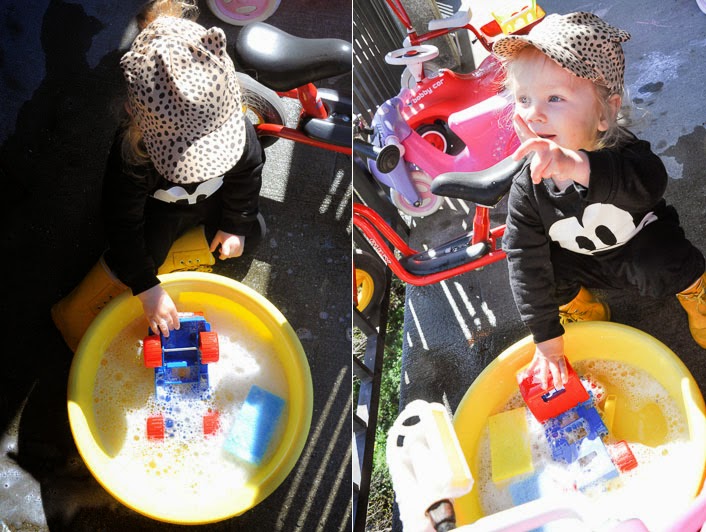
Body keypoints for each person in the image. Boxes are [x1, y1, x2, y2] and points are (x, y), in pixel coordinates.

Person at [492, 12, 706, 390]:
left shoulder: (625, 154)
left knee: (665, 260)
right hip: (583, 261)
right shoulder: (528, 186)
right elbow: (523, 258)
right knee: (541, 272)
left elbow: (650, 184)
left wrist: (577, 166)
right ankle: (584, 307)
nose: (533, 112)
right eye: (523, 98)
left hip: (639, 246)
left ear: (605, 112)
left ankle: (695, 293)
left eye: (554, 98)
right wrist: (546, 338)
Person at [52, 0, 266, 351]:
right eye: (188, 155)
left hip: (211, 202)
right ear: (134, 117)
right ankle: (155, 269)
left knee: (253, 232)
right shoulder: (134, 154)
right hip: (161, 212)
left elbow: (249, 171)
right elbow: (122, 218)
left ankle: (184, 257)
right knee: (141, 255)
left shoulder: (236, 127)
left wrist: (235, 225)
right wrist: (146, 287)